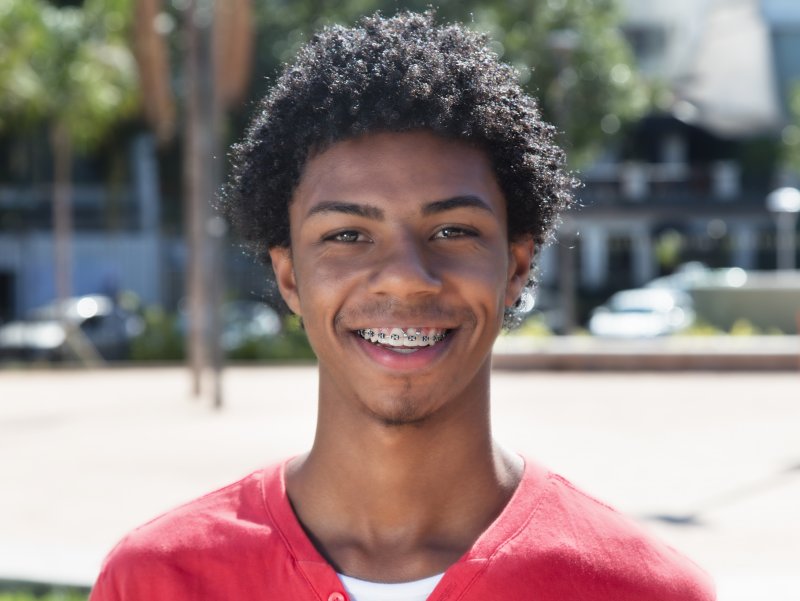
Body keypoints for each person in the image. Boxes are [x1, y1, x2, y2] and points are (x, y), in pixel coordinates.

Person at [90, 11, 714, 601]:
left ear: (516, 268)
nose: (406, 280)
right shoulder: (155, 578)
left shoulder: (646, 589)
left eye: (452, 231)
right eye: (346, 236)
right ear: (289, 278)